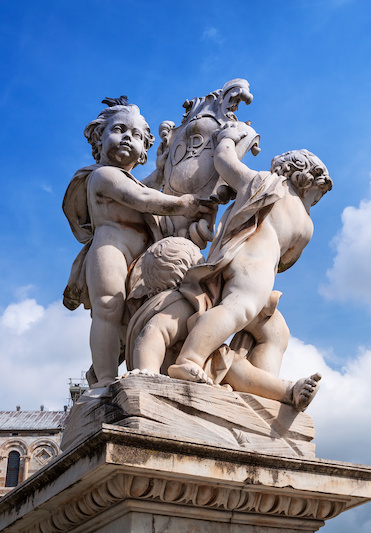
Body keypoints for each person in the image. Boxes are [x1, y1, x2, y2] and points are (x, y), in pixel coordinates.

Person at [168, 123, 332, 388]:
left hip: (248, 265)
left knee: (275, 332)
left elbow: (225, 161)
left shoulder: (262, 184)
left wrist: (229, 138)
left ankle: (260, 391)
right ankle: (190, 358)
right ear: (305, 179)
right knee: (237, 309)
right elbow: (287, 261)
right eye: (317, 195)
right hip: (255, 268)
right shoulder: (298, 216)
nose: (316, 201)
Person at [62, 97, 211, 387]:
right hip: (111, 249)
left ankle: (133, 359)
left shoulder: (132, 179)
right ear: (98, 137)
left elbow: (148, 184)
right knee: (108, 307)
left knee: (131, 314)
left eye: (137, 136)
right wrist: (184, 204)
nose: (128, 138)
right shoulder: (103, 176)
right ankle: (104, 380)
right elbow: (142, 198)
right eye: (119, 130)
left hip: (140, 255)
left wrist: (164, 167)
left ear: (144, 150)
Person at [125, 236, 320, 411]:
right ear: (190, 270)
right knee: (234, 365)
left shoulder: (189, 302)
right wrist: (147, 371)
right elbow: (153, 332)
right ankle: (288, 391)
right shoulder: (179, 303)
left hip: (201, 369)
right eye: (202, 263)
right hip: (184, 372)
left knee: (234, 361)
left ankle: (288, 391)